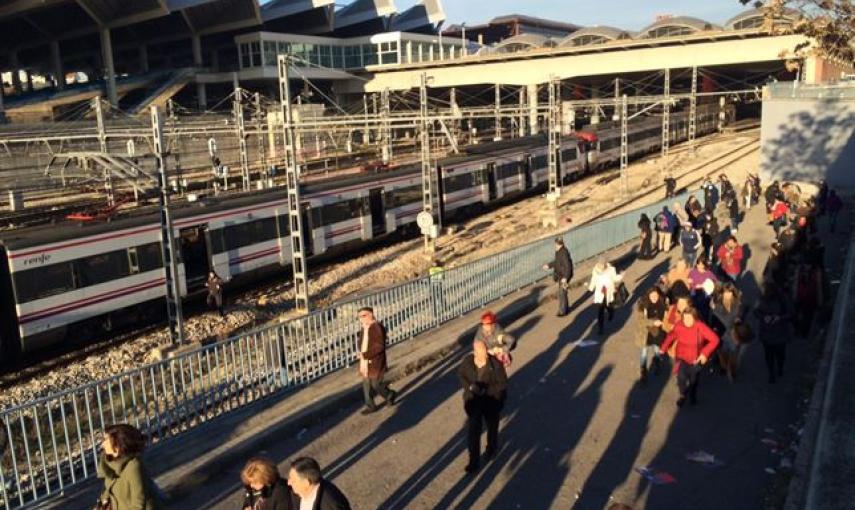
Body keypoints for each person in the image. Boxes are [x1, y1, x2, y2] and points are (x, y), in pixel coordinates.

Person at [458, 338, 508, 473]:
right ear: (475, 352)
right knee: (473, 430)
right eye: (481, 351)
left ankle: (491, 448)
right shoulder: (467, 362)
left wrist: (487, 391)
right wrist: (469, 387)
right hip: (474, 402)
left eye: (485, 350)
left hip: (491, 400)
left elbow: (502, 384)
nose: (485, 353)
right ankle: (473, 461)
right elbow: (462, 375)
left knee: (492, 425)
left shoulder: (495, 364)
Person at [660, 307, 719, 407]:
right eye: (685, 318)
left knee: (693, 380)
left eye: (689, 318)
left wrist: (704, 353)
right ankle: (682, 395)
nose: (686, 321)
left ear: (695, 318)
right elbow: (671, 336)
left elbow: (715, 339)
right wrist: (663, 348)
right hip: (681, 356)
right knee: (680, 377)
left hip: (696, 358)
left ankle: (692, 395)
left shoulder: (700, 326)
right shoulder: (679, 325)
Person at [96, 424, 162, 510]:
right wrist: (101, 503)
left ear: (117, 443)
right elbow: (109, 490)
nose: (102, 444)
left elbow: (138, 504)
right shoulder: (110, 463)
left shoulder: (133, 466)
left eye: (105, 439)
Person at [357, 307, 398, 414]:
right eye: (359, 317)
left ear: (371, 314)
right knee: (366, 384)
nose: (361, 318)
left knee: (376, 384)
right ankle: (370, 405)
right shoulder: (364, 328)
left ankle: (389, 394)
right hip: (365, 361)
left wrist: (365, 355)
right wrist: (361, 353)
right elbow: (362, 343)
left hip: (376, 362)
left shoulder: (376, 327)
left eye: (364, 315)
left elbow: (379, 346)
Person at [755, 283, 791, 384]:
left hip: (780, 332)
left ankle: (780, 367)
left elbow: (790, 312)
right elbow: (756, 311)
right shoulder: (761, 299)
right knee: (769, 355)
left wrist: (779, 317)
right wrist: (763, 317)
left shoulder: (782, 298)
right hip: (767, 332)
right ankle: (771, 373)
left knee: (780, 354)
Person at [711, 283, 744, 382]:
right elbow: (713, 319)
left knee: (733, 354)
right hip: (721, 333)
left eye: (729, 293)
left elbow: (741, 316)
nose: (727, 295)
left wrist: (739, 319)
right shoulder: (717, 304)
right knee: (722, 353)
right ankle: (724, 367)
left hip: (733, 333)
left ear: (733, 293)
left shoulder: (738, 304)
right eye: (725, 293)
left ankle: (731, 370)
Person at [635, 287, 667, 385]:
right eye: (652, 296)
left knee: (657, 350)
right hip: (645, 333)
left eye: (656, 296)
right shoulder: (642, 305)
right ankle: (643, 370)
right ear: (648, 296)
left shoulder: (663, 305)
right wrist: (653, 322)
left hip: (658, 332)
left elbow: (666, 317)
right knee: (644, 353)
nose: (654, 298)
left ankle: (657, 364)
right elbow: (640, 321)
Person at [588, 260, 623, 335]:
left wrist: (620, 276)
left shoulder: (611, 270)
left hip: (608, 292)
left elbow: (615, 278)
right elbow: (593, 280)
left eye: (602, 266)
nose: (601, 267)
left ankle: (611, 311)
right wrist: (591, 288)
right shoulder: (595, 271)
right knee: (600, 311)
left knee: (608, 305)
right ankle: (601, 328)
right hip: (600, 293)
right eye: (600, 266)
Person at [543, 238, 573, 316]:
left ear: (558, 244)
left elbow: (568, 266)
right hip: (561, 275)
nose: (554, 246)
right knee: (563, 293)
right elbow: (557, 262)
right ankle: (565, 309)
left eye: (555, 244)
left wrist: (565, 278)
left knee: (562, 293)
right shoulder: (559, 252)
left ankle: (563, 311)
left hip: (563, 276)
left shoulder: (563, 253)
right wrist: (549, 265)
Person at [793, 262, 823, 338]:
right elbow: (795, 284)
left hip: (810, 299)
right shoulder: (799, 271)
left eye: (809, 264)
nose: (807, 267)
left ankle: (804, 332)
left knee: (808, 317)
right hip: (800, 298)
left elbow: (818, 287)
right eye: (806, 264)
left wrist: (820, 301)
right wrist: (794, 296)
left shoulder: (815, 272)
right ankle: (799, 329)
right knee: (796, 315)